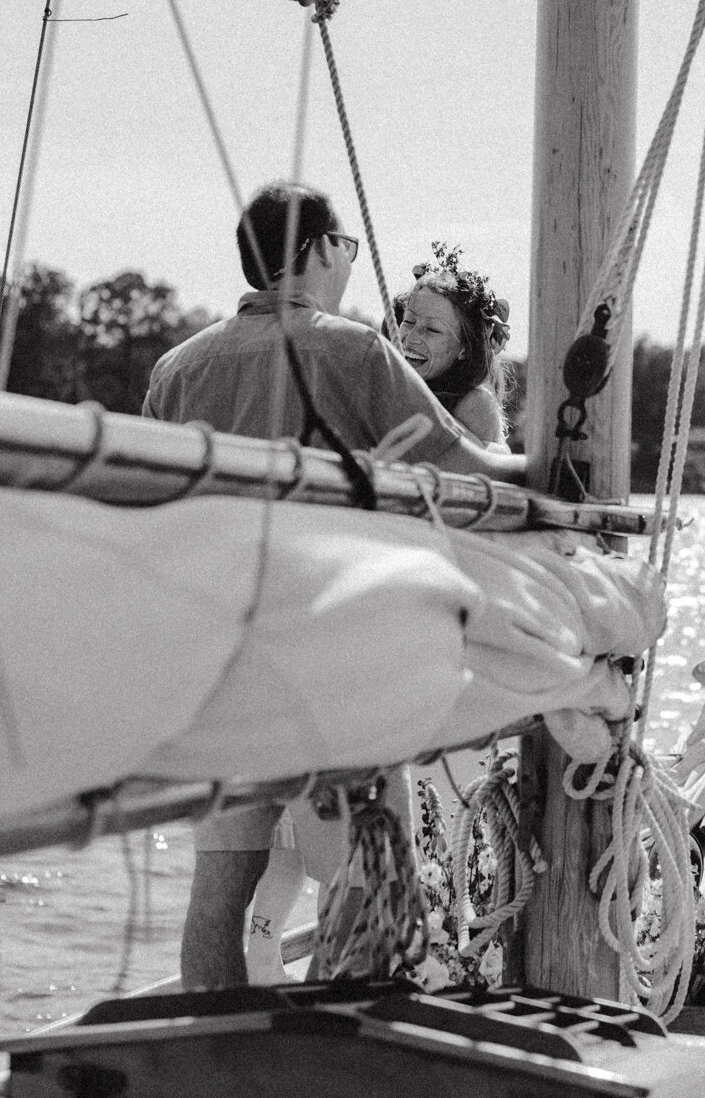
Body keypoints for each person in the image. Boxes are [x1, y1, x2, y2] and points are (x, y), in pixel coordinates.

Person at [143, 180, 526, 991]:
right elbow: (469, 467)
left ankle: (218, 1064)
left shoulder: (177, 369)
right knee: (367, 887)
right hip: (333, 666)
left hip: (216, 666)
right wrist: (562, 473)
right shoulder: (355, 352)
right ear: (320, 250)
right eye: (345, 245)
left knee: (217, 898)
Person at [391, 242, 513, 449]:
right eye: (409, 321)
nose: (411, 338)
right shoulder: (391, 382)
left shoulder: (474, 405)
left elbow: (484, 468)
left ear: (464, 349)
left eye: (432, 330)